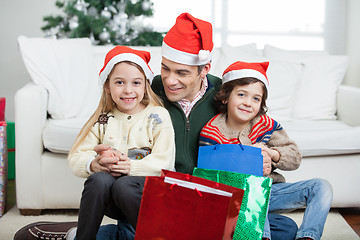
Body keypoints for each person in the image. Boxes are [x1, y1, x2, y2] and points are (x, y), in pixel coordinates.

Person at [14, 12, 297, 240]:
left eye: (182, 72)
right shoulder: (147, 90)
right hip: (157, 192)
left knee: (284, 229)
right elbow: (113, 115)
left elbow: (268, 134)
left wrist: (271, 157)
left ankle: (99, 234)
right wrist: (102, 157)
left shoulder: (227, 95)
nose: (170, 80)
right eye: (166, 68)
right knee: (132, 201)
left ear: (204, 70)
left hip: (206, 196)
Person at [199, 60, 333, 240]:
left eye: (256, 98)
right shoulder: (211, 131)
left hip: (272, 193)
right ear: (225, 97)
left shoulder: (266, 124)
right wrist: (248, 159)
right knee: (282, 224)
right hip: (236, 199)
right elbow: (209, 178)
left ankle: (308, 236)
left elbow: (295, 157)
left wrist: (272, 153)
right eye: (241, 95)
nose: (248, 103)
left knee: (321, 186)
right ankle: (261, 235)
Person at [68, 45, 175, 240]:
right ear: (108, 86)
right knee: (99, 180)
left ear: (145, 86)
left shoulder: (157, 116)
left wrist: (130, 167)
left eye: (136, 83)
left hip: (148, 198)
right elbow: (76, 156)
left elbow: (164, 162)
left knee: (123, 186)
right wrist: (94, 163)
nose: (128, 90)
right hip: (115, 200)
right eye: (119, 82)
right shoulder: (103, 120)